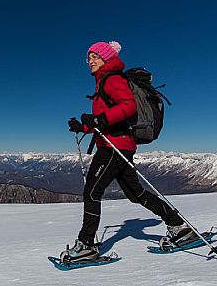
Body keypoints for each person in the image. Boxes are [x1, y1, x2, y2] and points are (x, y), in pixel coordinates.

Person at [63, 41, 191, 263]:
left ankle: (86, 245)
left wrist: (98, 119)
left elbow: (128, 105)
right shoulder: (104, 81)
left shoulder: (112, 79)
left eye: (95, 56)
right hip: (120, 144)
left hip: (113, 147)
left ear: (106, 58)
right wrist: (84, 127)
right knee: (136, 194)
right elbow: (109, 119)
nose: (90, 61)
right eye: (88, 57)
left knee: (92, 193)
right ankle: (177, 225)